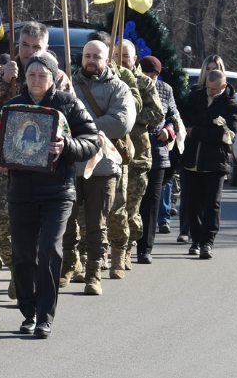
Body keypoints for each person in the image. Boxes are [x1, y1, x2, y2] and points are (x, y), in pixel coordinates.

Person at [0, 51, 98, 338]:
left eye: (42, 75)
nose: (36, 80)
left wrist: (67, 146)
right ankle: (29, 312)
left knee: (49, 248)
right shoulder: (12, 106)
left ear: (54, 77)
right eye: (31, 75)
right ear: (25, 77)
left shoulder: (68, 104)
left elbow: (92, 141)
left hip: (57, 191)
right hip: (21, 191)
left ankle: (45, 317)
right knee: (23, 254)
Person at [0, 21, 51, 299]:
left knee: (37, 227)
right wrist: (3, 80)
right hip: (6, 164)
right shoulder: (2, 73)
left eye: (36, 47)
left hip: (41, 168)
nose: (30, 51)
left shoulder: (56, 76)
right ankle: (19, 269)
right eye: (25, 45)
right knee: (0, 224)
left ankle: (29, 274)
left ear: (46, 47)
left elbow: (66, 113)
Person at [66, 39, 135, 293]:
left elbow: (120, 122)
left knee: (96, 223)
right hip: (69, 165)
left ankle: (94, 274)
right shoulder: (68, 85)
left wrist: (81, 126)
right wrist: (93, 126)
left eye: (97, 56)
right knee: (65, 221)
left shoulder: (120, 88)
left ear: (107, 60)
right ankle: (69, 265)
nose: (91, 60)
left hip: (102, 167)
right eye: (87, 55)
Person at [181, 69, 237, 259]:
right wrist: (202, 130)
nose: (209, 92)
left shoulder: (232, 105)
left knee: (212, 204)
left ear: (223, 86)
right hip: (192, 159)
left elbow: (226, 135)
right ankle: (195, 240)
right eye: (207, 87)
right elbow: (185, 122)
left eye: (214, 89)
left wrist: (197, 132)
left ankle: (207, 242)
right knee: (192, 204)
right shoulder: (196, 97)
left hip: (216, 162)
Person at [115, 39, 163, 273]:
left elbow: (157, 115)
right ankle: (105, 250)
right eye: (118, 55)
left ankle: (127, 248)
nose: (121, 60)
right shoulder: (108, 80)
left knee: (131, 207)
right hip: (110, 153)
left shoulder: (144, 82)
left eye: (126, 56)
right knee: (110, 207)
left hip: (136, 155)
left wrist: (130, 114)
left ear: (134, 59)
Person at [136, 55, 178, 262]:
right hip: (134, 151)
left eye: (153, 76)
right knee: (133, 200)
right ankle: (124, 245)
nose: (150, 79)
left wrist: (169, 130)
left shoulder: (165, 89)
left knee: (152, 201)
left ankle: (146, 248)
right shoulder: (132, 86)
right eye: (146, 74)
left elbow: (174, 116)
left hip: (158, 152)